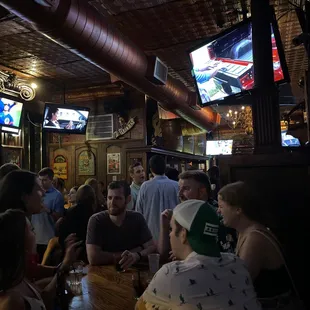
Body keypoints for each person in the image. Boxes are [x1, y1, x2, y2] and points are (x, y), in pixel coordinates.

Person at [136, 200, 261, 310]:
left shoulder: (173, 273)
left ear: (183, 234)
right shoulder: (237, 263)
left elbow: (139, 307)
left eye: (172, 229)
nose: (170, 235)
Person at [218, 181, 295, 309]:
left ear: (238, 210)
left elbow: (240, 283)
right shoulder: (245, 231)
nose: (218, 211)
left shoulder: (255, 238)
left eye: (221, 206)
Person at [0, 209, 82, 310]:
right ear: (19, 241)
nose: (35, 234)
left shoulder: (20, 278)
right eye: (31, 230)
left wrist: (65, 265)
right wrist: (64, 265)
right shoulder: (11, 303)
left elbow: (43, 299)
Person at [159, 170, 236, 259]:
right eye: (179, 189)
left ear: (202, 192)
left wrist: (186, 254)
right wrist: (164, 226)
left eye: (186, 189)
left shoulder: (217, 215)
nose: (179, 194)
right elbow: (163, 254)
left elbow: (223, 256)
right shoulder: (181, 214)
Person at [86, 181, 156, 269]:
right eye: (109, 198)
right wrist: (133, 251)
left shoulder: (137, 218)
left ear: (128, 199)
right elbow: (93, 258)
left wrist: (137, 255)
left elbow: (152, 247)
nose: (112, 202)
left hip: (132, 272)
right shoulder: (97, 220)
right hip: (103, 275)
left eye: (117, 198)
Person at [136, 155, 179, 241]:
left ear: (151, 169)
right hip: (173, 235)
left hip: (151, 235)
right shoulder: (176, 185)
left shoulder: (145, 186)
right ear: (165, 167)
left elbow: (138, 213)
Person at [32, 167, 64, 262]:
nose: (41, 183)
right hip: (35, 237)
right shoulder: (35, 192)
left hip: (49, 239)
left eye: (45, 180)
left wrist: (47, 210)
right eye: (40, 180)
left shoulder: (57, 195)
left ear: (51, 180)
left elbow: (59, 218)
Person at [58, 185, 96, 262]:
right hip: (89, 250)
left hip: (72, 248)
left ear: (78, 196)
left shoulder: (71, 211)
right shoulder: (95, 212)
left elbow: (62, 232)